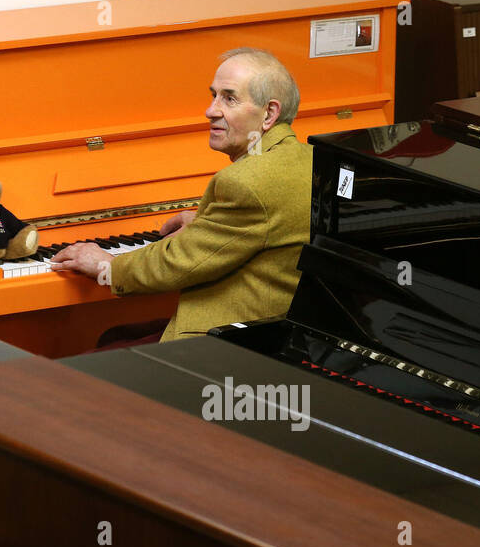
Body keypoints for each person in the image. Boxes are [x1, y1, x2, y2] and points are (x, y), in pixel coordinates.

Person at [49, 48, 311, 342]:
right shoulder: (311, 158)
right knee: (114, 336)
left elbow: (177, 264)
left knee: (84, 363)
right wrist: (207, 223)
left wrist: (106, 265)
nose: (210, 110)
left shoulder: (245, 181)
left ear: (269, 114)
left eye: (229, 98)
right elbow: (266, 224)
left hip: (235, 341)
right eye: (214, 95)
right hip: (281, 328)